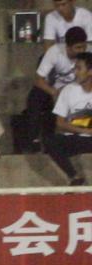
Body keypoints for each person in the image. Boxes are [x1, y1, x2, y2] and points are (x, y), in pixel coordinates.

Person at [27, 27, 87, 149]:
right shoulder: (55, 52)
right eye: (78, 48)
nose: (82, 51)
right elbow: (38, 80)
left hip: (78, 88)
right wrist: (54, 92)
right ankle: (34, 140)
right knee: (35, 96)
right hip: (54, 89)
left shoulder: (88, 55)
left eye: (83, 47)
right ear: (68, 47)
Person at [46, 51, 92, 184]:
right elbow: (60, 123)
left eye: (79, 68)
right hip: (76, 138)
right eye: (74, 68)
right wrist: (85, 131)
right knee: (50, 141)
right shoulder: (68, 90)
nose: (75, 72)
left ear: (90, 71)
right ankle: (74, 176)